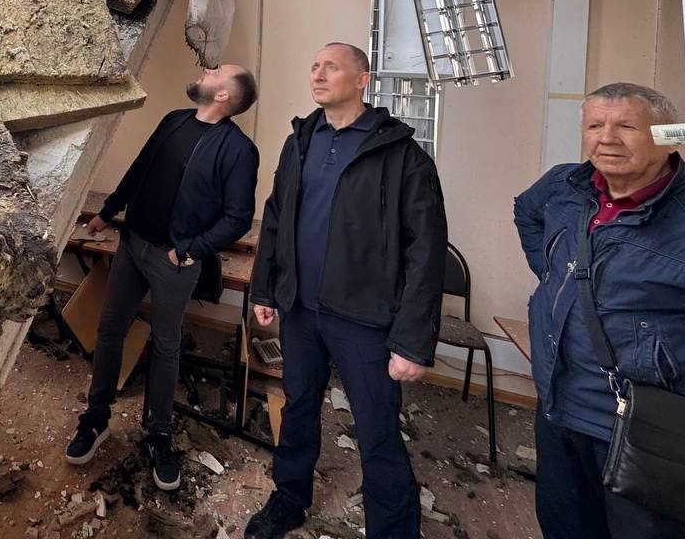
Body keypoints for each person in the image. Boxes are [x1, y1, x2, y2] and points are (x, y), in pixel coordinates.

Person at [245, 43, 447, 539]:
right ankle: (288, 499)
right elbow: (276, 217)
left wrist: (412, 340)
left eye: (331, 67)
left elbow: (426, 251)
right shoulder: (300, 140)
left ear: (362, 80)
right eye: (314, 66)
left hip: (364, 317)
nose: (317, 74)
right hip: (300, 309)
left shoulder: (401, 155)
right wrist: (265, 290)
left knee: (377, 428)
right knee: (297, 409)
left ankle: (393, 530)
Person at [514, 82, 685, 539]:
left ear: (668, 138)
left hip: (646, 429)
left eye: (627, 127)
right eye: (595, 125)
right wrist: (552, 274)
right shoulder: (565, 186)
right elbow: (526, 212)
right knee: (564, 524)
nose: (607, 138)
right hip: (558, 403)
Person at [65, 64, 260, 492]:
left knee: (166, 345)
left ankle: (158, 434)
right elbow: (139, 171)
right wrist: (107, 213)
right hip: (133, 245)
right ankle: (96, 418)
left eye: (217, 71)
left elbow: (238, 218)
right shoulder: (174, 120)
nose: (207, 69)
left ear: (224, 96)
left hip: (174, 263)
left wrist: (189, 249)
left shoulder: (238, 150)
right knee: (109, 330)